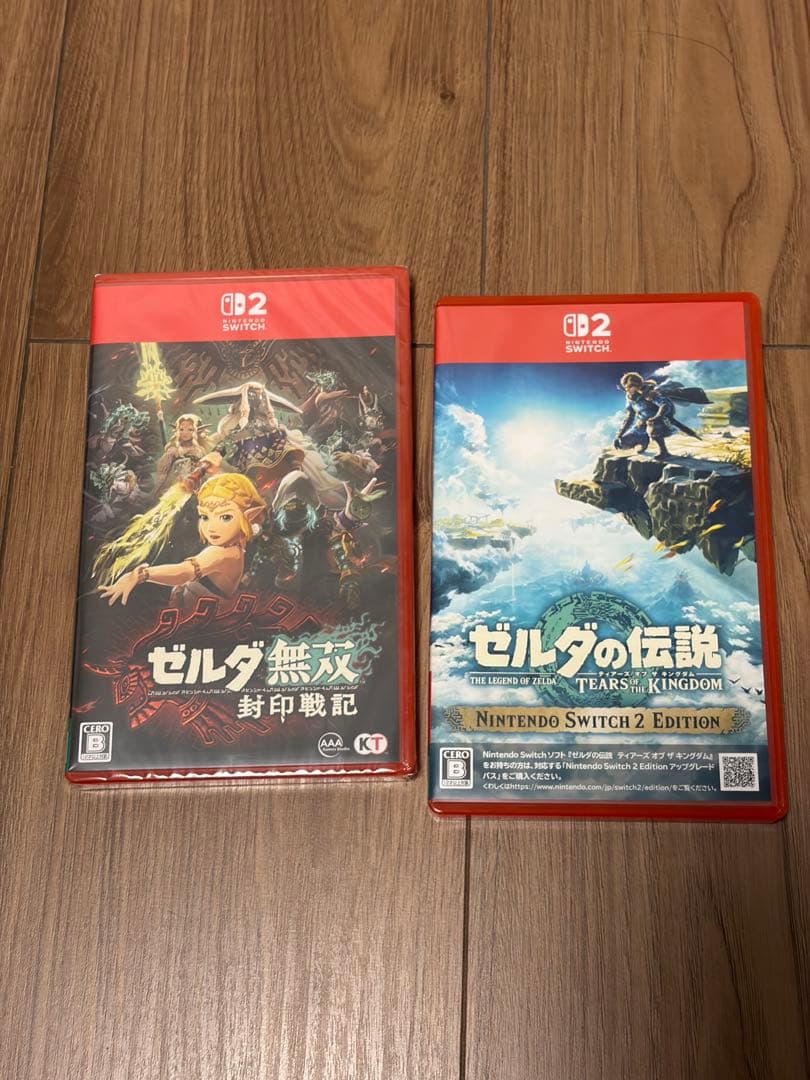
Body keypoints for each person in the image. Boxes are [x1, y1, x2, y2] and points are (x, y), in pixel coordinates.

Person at [99, 472, 265, 608]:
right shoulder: (233, 548)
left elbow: (185, 571)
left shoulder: (222, 553)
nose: (211, 527)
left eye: (225, 517)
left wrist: (142, 575)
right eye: (205, 517)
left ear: (248, 515)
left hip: (196, 623)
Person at [613, 372, 675, 460]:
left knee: (652, 427)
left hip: (658, 423)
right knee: (622, 443)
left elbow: (664, 404)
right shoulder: (631, 398)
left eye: (629, 386)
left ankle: (664, 451)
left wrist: (657, 417)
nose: (627, 389)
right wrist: (619, 435)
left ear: (636, 385)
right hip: (641, 425)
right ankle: (643, 441)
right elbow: (629, 418)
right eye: (626, 387)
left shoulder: (649, 393)